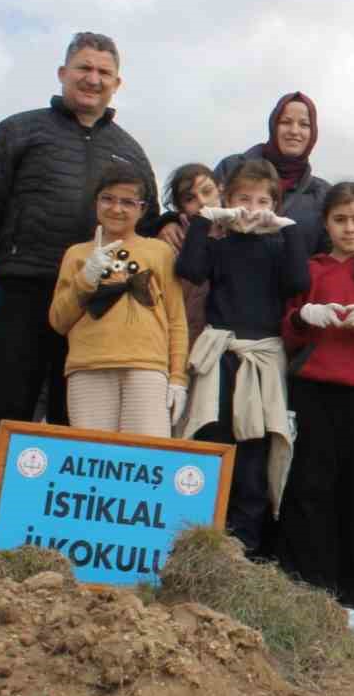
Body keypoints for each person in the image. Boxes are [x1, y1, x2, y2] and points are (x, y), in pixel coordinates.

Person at [0, 32, 157, 514]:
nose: (93, 79)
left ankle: (61, 530)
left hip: (95, 304)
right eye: (84, 68)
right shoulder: (18, 132)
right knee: (9, 411)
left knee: (77, 419)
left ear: (117, 83)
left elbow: (148, 229)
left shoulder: (130, 151)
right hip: (26, 289)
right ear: (63, 72)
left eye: (103, 72)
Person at [278, 183, 354, 632]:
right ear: (326, 224)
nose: (349, 229)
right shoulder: (309, 270)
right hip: (312, 391)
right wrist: (302, 316)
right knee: (313, 489)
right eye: (340, 220)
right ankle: (314, 587)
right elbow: (288, 331)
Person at [175, 158, 310, 557]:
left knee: (253, 452)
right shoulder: (219, 246)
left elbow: (298, 282)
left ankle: (245, 545)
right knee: (212, 440)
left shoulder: (277, 246)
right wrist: (205, 219)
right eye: (243, 199)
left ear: (274, 206)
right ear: (229, 200)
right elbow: (190, 269)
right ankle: (201, 536)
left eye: (262, 201)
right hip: (220, 355)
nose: (251, 208)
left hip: (262, 359)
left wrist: (287, 230)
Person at [47, 162, 187, 435]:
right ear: (96, 203)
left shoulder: (159, 251)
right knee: (92, 457)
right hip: (88, 368)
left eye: (128, 202)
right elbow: (58, 321)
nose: (116, 209)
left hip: (147, 367)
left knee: (147, 460)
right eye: (108, 199)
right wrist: (86, 278)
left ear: (142, 208)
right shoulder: (76, 254)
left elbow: (176, 319)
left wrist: (178, 377)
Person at [206, 92, 332, 254]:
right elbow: (197, 209)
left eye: (304, 124)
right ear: (273, 125)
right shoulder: (230, 167)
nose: (294, 131)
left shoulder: (323, 194)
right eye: (286, 122)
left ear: (313, 132)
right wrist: (169, 221)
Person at [158, 163, 222, 355]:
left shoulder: (240, 235)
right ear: (180, 208)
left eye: (207, 191)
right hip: (180, 347)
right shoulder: (170, 244)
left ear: (221, 189)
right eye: (190, 198)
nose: (202, 202)